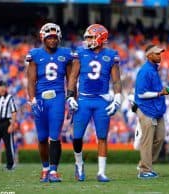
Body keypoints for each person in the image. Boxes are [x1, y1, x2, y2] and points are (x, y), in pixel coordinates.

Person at [66, 24, 122, 182]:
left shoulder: (111, 55)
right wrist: (70, 96)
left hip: (102, 100)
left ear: (101, 37)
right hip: (83, 99)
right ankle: (79, 163)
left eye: (91, 37)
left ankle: (101, 172)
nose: (88, 40)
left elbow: (116, 80)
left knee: (102, 136)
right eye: (88, 37)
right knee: (77, 137)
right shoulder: (81, 53)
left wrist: (118, 97)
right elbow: (73, 77)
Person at [26, 23, 73, 183]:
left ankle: (53, 171)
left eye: (55, 37)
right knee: (41, 137)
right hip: (40, 98)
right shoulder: (35, 54)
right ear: (43, 38)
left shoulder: (66, 54)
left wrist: (72, 98)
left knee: (55, 136)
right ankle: (45, 168)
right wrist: (32, 100)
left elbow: (71, 79)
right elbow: (31, 80)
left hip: (58, 97)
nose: (52, 40)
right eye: (49, 37)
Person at [134, 44, 169, 179]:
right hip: (146, 109)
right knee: (147, 140)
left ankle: (144, 163)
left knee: (160, 137)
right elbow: (141, 94)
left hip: (156, 110)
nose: (159, 55)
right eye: (156, 53)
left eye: (160, 53)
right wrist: (160, 93)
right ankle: (145, 170)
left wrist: (162, 92)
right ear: (149, 55)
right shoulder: (145, 71)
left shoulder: (154, 70)